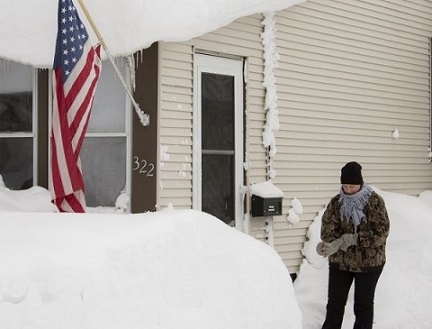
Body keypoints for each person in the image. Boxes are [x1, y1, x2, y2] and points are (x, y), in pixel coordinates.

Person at [316, 161, 390, 329]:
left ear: (360, 184)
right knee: (335, 304)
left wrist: (354, 239)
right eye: (345, 186)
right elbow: (327, 229)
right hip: (340, 262)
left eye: (352, 186)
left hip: (369, 263)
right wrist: (330, 243)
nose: (348, 190)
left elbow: (381, 232)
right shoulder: (336, 203)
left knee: (363, 306)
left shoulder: (374, 202)